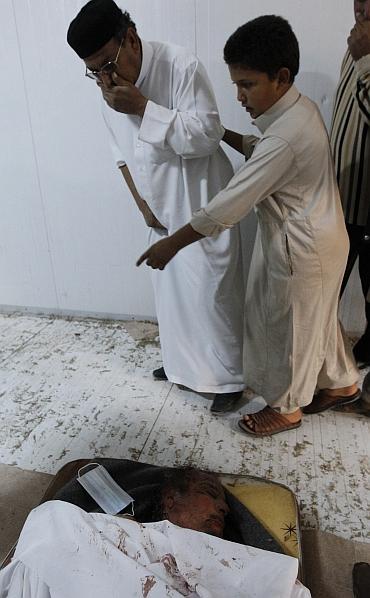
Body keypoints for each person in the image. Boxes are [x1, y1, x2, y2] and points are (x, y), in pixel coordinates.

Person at [137, 15, 360, 436]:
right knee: (320, 322)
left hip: (302, 249)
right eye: (236, 84)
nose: (238, 94)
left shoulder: (284, 139)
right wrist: (220, 133)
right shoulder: (299, 110)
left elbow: (228, 204)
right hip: (327, 240)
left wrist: (173, 244)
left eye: (247, 84)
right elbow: (260, 148)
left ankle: (286, 407)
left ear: (281, 76)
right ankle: (344, 383)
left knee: (288, 328)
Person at [67, 0, 245, 413]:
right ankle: (181, 366)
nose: (104, 77)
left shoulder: (181, 66)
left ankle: (227, 378)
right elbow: (121, 153)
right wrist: (140, 202)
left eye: (107, 64)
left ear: (129, 38)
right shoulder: (108, 89)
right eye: (94, 70)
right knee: (170, 293)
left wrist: (144, 107)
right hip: (158, 204)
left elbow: (206, 134)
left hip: (200, 197)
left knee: (211, 289)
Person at [0, 475, 311, 597]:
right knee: (50, 516)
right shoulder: (114, 532)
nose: (221, 508)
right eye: (209, 494)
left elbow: (284, 590)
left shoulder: (229, 555)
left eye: (225, 508)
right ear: (169, 500)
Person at [330, 0, 370, 368]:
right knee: (327, 291)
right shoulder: (356, 44)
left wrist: (366, 59)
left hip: (368, 205)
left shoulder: (363, 51)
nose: (362, 7)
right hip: (341, 197)